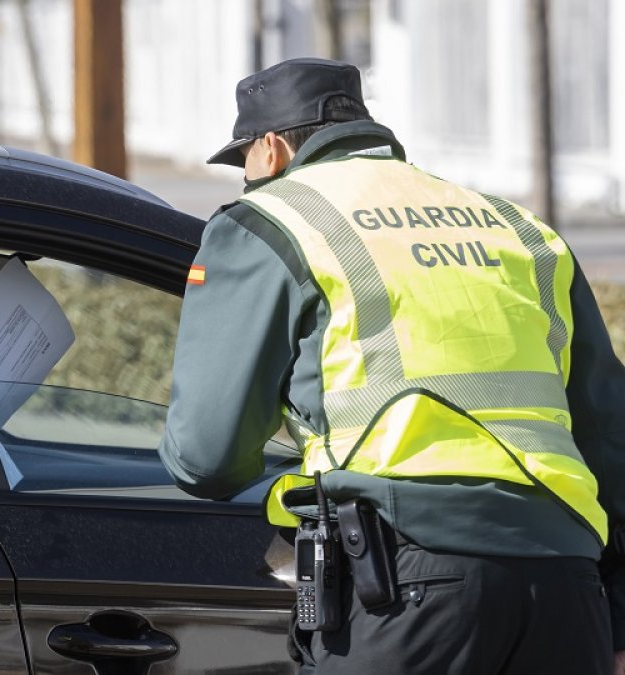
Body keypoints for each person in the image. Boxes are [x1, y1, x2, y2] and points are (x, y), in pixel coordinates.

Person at [158, 57, 624, 674]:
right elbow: (609, 438)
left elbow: (206, 459)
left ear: (270, 149)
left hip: (405, 582)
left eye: (243, 160)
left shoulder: (273, 219)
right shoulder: (517, 227)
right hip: (565, 580)